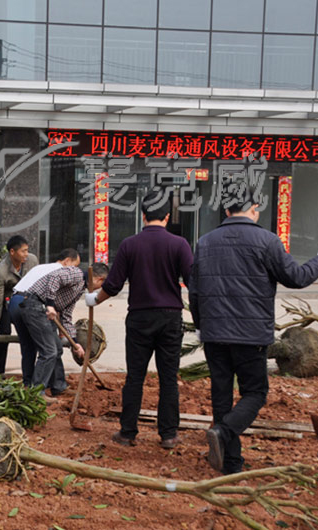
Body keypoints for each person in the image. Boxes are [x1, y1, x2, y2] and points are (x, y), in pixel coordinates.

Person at [189, 183, 318, 474]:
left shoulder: (205, 242)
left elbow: (195, 291)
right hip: (250, 336)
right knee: (255, 392)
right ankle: (223, 433)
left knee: (221, 396)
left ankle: (230, 463)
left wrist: (200, 326)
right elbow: (296, 277)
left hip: (214, 334)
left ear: (226, 210)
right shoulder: (267, 241)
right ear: (254, 209)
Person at [86, 192, 193, 449]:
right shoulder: (179, 244)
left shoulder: (129, 245)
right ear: (167, 217)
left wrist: (94, 299)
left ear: (143, 216)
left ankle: (127, 432)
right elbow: (194, 282)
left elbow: (113, 285)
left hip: (139, 318)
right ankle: (169, 435)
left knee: (135, 376)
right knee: (169, 377)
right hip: (170, 318)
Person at [15, 261, 109, 402]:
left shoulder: (79, 289)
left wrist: (75, 343)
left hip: (43, 310)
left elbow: (66, 316)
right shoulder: (76, 274)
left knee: (57, 348)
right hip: (35, 305)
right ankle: (36, 392)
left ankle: (58, 386)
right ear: (99, 279)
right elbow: (54, 278)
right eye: (101, 285)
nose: (98, 288)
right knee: (49, 351)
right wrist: (50, 305)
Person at [9, 248, 81, 387]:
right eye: (75, 265)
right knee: (51, 348)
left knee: (28, 347)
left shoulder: (41, 267)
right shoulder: (62, 272)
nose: (75, 270)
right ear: (67, 261)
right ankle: (54, 385)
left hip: (15, 302)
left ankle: (28, 384)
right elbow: (51, 297)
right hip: (35, 304)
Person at [0, 235, 38, 374]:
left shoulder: (32, 260)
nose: (26, 254)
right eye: (23, 251)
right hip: (8, 305)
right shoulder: (1, 270)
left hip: (27, 302)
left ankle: (31, 373)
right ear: (12, 252)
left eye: (27, 250)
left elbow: (38, 283)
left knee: (30, 334)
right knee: (4, 332)